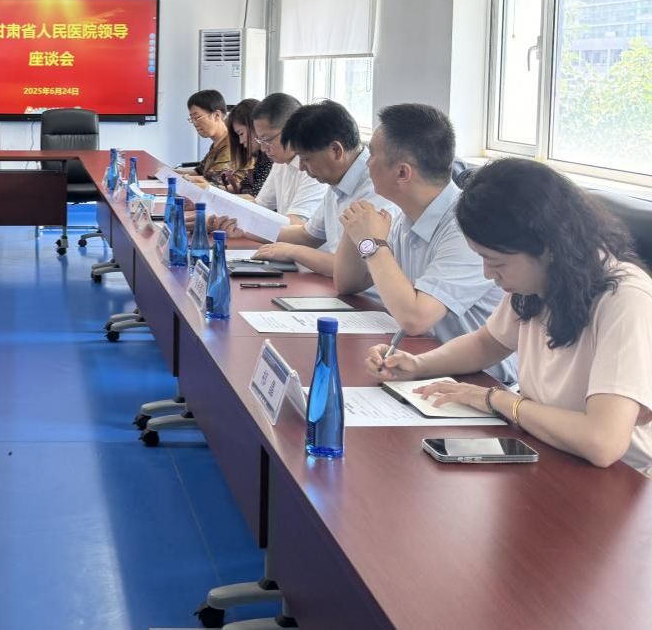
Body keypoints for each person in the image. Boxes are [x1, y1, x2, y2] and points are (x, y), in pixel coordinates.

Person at [367, 158, 652, 474]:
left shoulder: (624, 299)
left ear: (548, 247)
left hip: (620, 479)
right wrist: (419, 365)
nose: (488, 274)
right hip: (546, 450)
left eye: (496, 262)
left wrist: (497, 400)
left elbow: (602, 441)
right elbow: (487, 343)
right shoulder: (539, 282)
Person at [334, 103, 514, 384]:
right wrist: (356, 227)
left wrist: (371, 242)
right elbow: (348, 283)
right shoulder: (405, 216)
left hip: (481, 380)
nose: (367, 163)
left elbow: (415, 319)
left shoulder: (465, 227)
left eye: (373, 155)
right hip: (427, 364)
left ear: (402, 173)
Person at [250, 100, 396, 277]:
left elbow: (356, 268)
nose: (301, 167)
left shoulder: (377, 188)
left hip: (364, 292)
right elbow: (306, 235)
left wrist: (293, 251)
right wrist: (247, 227)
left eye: (306, 159)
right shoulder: (338, 181)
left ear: (336, 150)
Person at [234, 93, 326, 224]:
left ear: (291, 131)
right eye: (260, 141)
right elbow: (260, 206)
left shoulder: (314, 167)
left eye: (267, 140)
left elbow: (296, 223)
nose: (263, 148)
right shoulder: (280, 163)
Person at [178, 90, 233, 186]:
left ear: (217, 115)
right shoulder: (217, 143)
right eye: (192, 119)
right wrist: (167, 172)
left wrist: (181, 177)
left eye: (197, 117)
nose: (194, 123)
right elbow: (199, 171)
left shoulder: (231, 144)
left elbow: (215, 180)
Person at [224, 98, 271, 197]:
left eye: (241, 134)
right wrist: (211, 188)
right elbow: (244, 186)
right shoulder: (261, 157)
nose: (241, 141)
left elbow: (255, 196)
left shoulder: (272, 158)